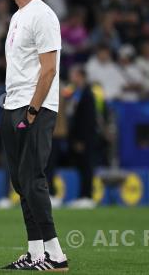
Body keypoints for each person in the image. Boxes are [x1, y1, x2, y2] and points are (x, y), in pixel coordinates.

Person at [0, 0, 69, 271]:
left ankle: (56, 254)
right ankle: (36, 254)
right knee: (20, 182)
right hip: (13, 104)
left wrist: (32, 111)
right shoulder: (18, 16)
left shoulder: (44, 15)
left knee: (33, 179)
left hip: (34, 107)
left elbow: (49, 69)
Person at [66, 65, 98, 209]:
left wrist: (81, 140)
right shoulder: (76, 93)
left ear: (80, 76)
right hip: (78, 137)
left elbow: (88, 120)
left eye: (74, 74)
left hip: (85, 138)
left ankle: (88, 196)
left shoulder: (87, 94)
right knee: (81, 167)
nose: (71, 77)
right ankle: (82, 196)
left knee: (87, 167)